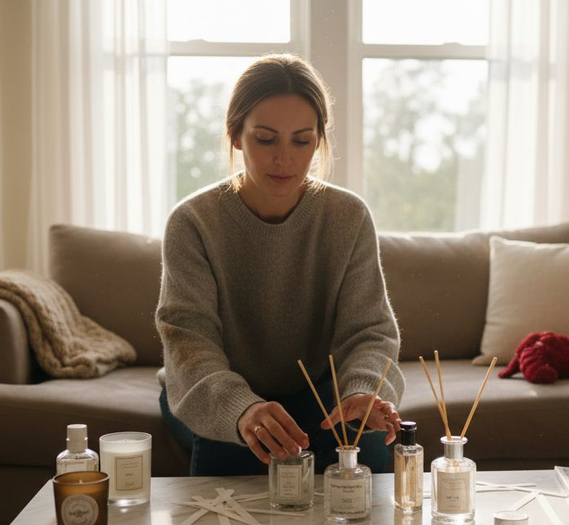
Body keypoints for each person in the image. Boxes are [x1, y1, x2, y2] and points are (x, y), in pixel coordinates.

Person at [156, 53, 405, 476]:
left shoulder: (348, 217)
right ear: (236, 136)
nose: (284, 158)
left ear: (320, 140)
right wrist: (242, 409)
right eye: (266, 139)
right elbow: (190, 344)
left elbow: (369, 331)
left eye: (302, 140)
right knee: (236, 453)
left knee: (365, 450)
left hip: (319, 395)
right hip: (215, 393)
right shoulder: (192, 222)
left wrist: (364, 390)